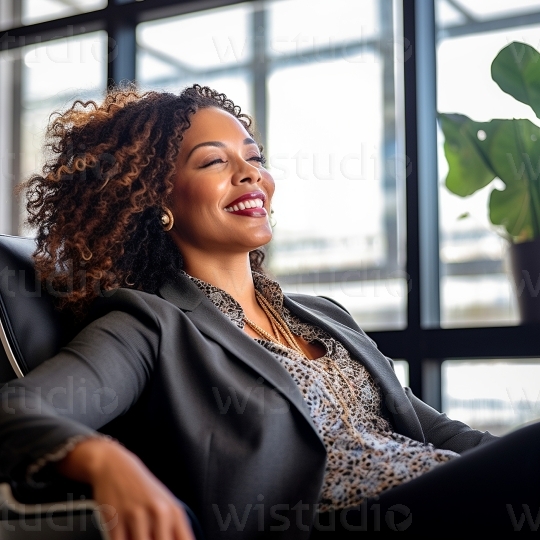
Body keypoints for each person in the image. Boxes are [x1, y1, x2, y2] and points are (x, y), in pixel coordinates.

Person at [0, 83, 539, 539]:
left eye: (254, 158)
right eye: (214, 161)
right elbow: (17, 409)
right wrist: (107, 461)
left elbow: (439, 433)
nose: (249, 174)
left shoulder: (321, 315)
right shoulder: (149, 325)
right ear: (156, 199)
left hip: (448, 498)